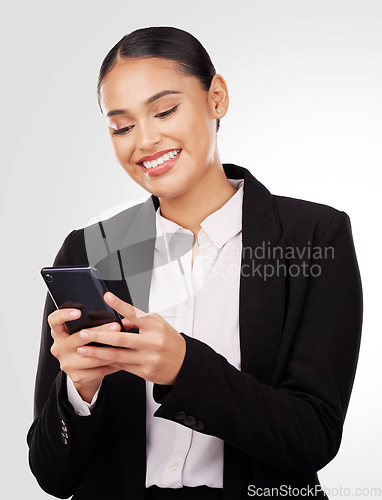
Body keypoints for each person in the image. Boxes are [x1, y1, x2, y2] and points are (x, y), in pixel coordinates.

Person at [27, 27, 363, 500]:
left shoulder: (313, 237)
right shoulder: (89, 250)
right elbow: (51, 476)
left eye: (165, 110)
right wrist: (78, 392)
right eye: (121, 126)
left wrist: (184, 369)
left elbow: (314, 437)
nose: (144, 140)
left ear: (217, 98)